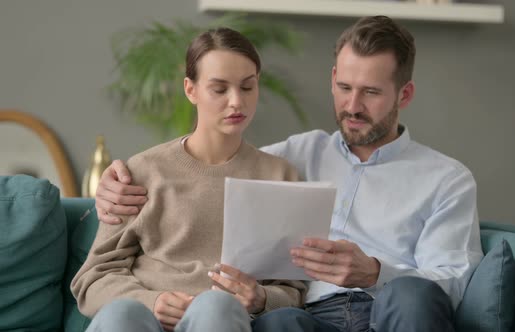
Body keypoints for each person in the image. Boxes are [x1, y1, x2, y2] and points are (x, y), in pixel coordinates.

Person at [94, 16, 483, 332]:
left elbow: (454, 281)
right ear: (332, 80)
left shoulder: (446, 179)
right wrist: (114, 183)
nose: (352, 105)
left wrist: (376, 272)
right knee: (280, 323)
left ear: (405, 95)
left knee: (412, 294)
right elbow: (216, 166)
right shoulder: (294, 157)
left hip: (393, 311)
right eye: (344, 87)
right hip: (310, 317)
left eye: (371, 92)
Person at [71, 27, 306, 332]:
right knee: (122, 316)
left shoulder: (280, 176)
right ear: (190, 89)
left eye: (247, 87)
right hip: (144, 320)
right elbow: (92, 280)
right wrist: (151, 301)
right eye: (220, 89)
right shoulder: (141, 171)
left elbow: (294, 289)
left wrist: (261, 297)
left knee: (216, 306)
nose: (236, 102)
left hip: (223, 320)